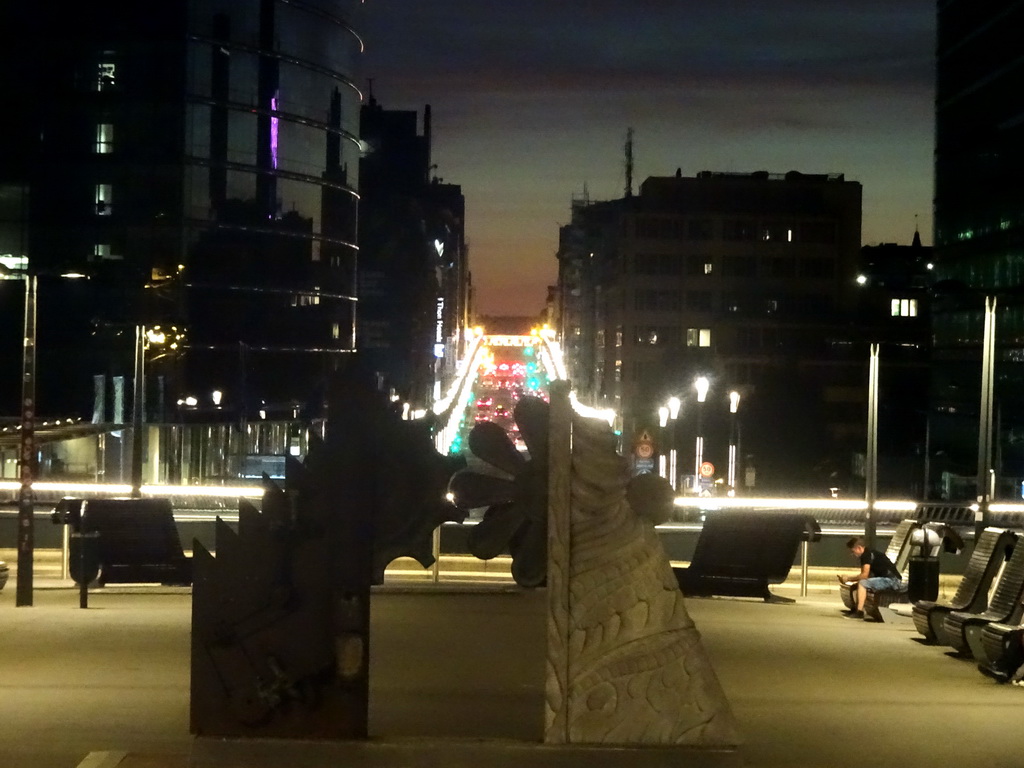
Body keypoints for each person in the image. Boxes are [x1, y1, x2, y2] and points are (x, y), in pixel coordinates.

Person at [837, 536, 901, 619]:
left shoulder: (866, 555)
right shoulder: (868, 554)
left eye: (853, 551)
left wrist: (848, 578)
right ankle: (855, 609)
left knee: (863, 583)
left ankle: (859, 612)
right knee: (858, 585)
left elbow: (864, 575)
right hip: (888, 579)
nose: (853, 554)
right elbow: (865, 575)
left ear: (859, 548)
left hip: (892, 580)